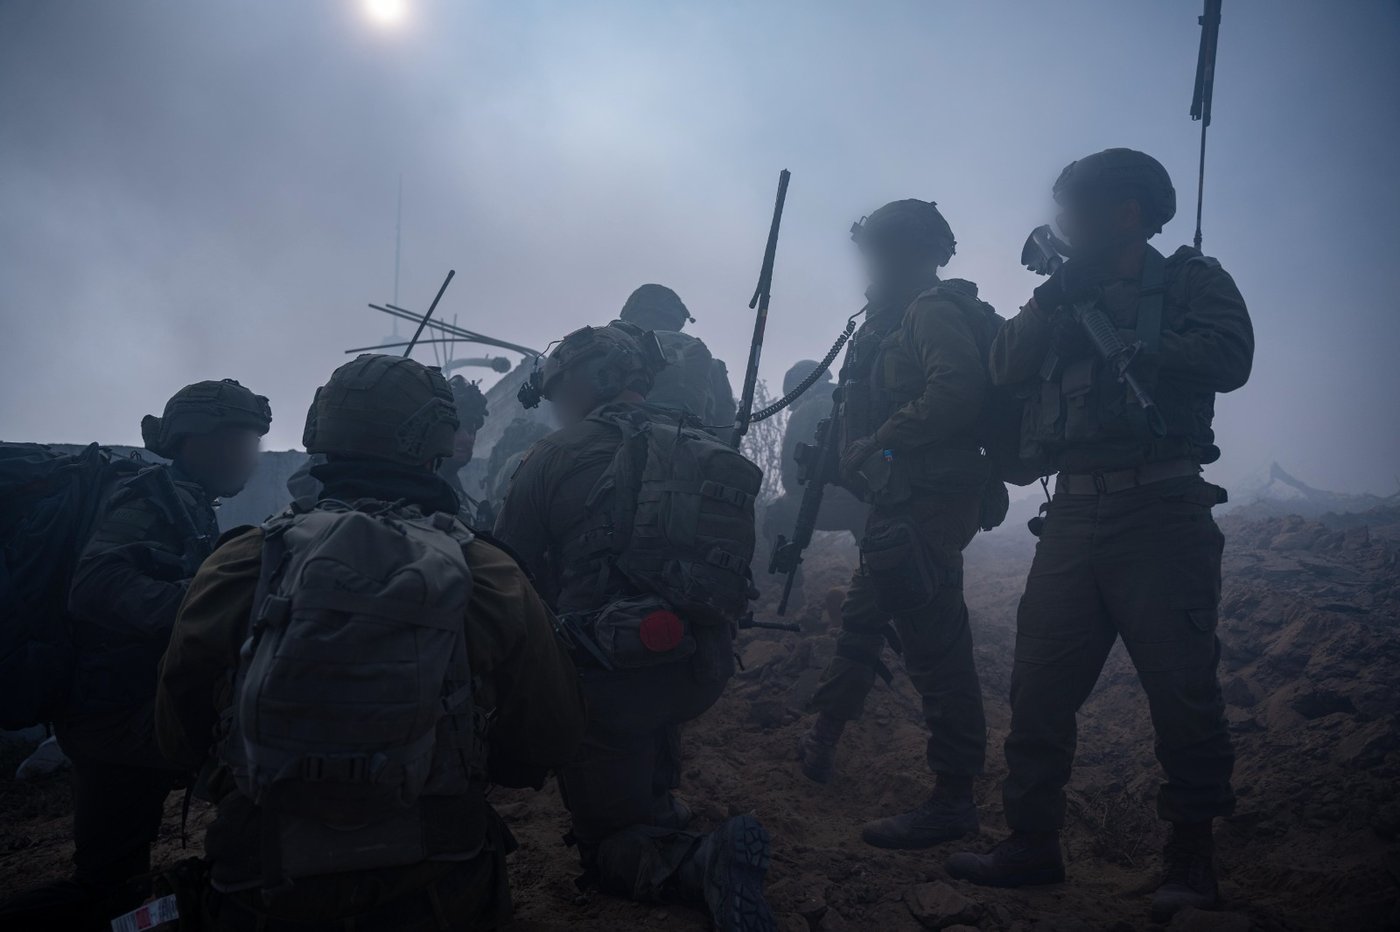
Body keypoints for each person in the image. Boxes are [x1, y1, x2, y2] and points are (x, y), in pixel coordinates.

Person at [155, 354, 588, 931]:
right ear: (432, 443)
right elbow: (549, 736)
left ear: (321, 436)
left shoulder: (239, 563)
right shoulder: (487, 572)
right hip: (440, 879)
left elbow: (178, 737)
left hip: (262, 881)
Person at [945, 148, 1253, 922]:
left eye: (1076, 208)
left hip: (1162, 508)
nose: (1063, 222)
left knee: (1182, 693)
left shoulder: (1189, 281)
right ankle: (1031, 841)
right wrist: (1053, 299)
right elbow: (1003, 366)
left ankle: (1191, 856)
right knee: (1038, 689)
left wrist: (1141, 345)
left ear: (1126, 212)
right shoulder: (1060, 292)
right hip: (1074, 514)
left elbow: (1231, 356)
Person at [494, 323, 777, 932]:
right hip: (704, 666)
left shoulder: (554, 455)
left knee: (605, 845)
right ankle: (655, 802)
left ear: (588, 381)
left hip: (612, 683)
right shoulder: (701, 442)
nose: (556, 408)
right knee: (646, 700)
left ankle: (699, 862)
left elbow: (508, 576)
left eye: (560, 392)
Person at [4, 380, 270, 928]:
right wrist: (202, 604)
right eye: (241, 441)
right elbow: (95, 586)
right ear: (198, 439)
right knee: (257, 755)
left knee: (112, 880)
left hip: (118, 708)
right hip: (114, 715)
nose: (251, 455)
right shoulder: (149, 499)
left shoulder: (186, 499)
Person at [796, 200, 996, 854]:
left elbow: (956, 393)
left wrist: (879, 441)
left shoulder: (929, 312)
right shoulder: (887, 321)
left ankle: (954, 798)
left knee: (934, 644)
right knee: (863, 615)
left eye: (878, 250)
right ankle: (823, 737)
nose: (869, 263)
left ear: (908, 253)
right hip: (901, 501)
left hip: (928, 502)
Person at [761, 360, 867, 611]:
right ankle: (873, 586)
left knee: (775, 513)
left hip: (826, 503)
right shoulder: (857, 399)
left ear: (802, 388)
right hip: (868, 503)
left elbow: (791, 478)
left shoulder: (805, 411)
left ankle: (791, 597)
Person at [618, 283, 737, 431]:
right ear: (678, 321)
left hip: (617, 439)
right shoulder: (712, 367)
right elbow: (726, 428)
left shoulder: (612, 347)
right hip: (690, 442)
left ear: (629, 317)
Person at [438, 374, 489, 524]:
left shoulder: (450, 478)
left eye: (472, 430)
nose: (468, 439)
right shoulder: (424, 484)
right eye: (457, 428)